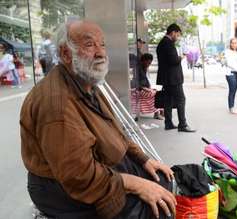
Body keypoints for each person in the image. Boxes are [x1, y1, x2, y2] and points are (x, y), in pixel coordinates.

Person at [20, 20, 176, 219]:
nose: (101, 53)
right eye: (89, 45)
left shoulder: (86, 83)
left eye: (102, 44)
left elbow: (115, 131)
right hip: (63, 188)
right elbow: (79, 177)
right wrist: (137, 185)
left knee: (163, 180)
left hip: (100, 168)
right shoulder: (56, 105)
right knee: (158, 209)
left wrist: (143, 159)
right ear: (65, 54)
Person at [156, 23, 195, 132]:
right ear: (172, 32)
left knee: (168, 100)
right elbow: (173, 60)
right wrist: (181, 57)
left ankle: (168, 123)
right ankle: (182, 124)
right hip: (173, 78)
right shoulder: (168, 43)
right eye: (177, 35)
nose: (177, 38)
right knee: (181, 99)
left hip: (167, 78)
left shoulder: (162, 43)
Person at [131, 53, 164, 120]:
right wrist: (144, 88)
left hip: (144, 88)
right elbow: (135, 82)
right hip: (139, 89)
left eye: (150, 63)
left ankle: (160, 111)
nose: (149, 65)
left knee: (158, 92)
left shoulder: (143, 68)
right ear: (143, 61)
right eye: (148, 63)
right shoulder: (137, 69)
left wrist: (149, 88)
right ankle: (157, 113)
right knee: (156, 94)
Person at [221, 38, 237, 114]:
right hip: (230, 74)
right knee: (232, 90)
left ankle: (232, 106)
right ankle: (231, 108)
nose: (234, 44)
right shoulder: (227, 52)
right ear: (230, 44)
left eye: (235, 43)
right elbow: (230, 64)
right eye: (232, 43)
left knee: (234, 91)